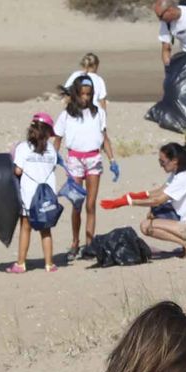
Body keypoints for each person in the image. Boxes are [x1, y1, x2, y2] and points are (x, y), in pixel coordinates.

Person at [106, 143, 186, 260]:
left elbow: (158, 200)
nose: (161, 165)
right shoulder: (182, 171)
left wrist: (130, 202)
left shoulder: (185, 177)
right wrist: (138, 195)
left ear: (174, 161)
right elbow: (161, 190)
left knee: (146, 226)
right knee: (154, 212)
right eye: (159, 161)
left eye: (163, 162)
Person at [56, 76, 118, 262]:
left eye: (89, 94)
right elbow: (57, 139)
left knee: (91, 205)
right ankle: (75, 242)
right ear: (76, 94)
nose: (85, 98)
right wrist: (52, 159)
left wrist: (112, 159)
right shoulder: (67, 114)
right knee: (77, 204)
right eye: (82, 94)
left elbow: (104, 137)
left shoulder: (98, 112)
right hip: (74, 160)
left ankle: (89, 245)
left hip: (93, 160)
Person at [11, 112, 61, 274]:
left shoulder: (23, 147)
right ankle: (49, 264)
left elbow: (18, 171)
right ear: (47, 133)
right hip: (47, 195)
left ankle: (20, 263)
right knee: (45, 229)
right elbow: (52, 167)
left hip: (29, 195)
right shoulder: (51, 149)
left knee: (25, 227)